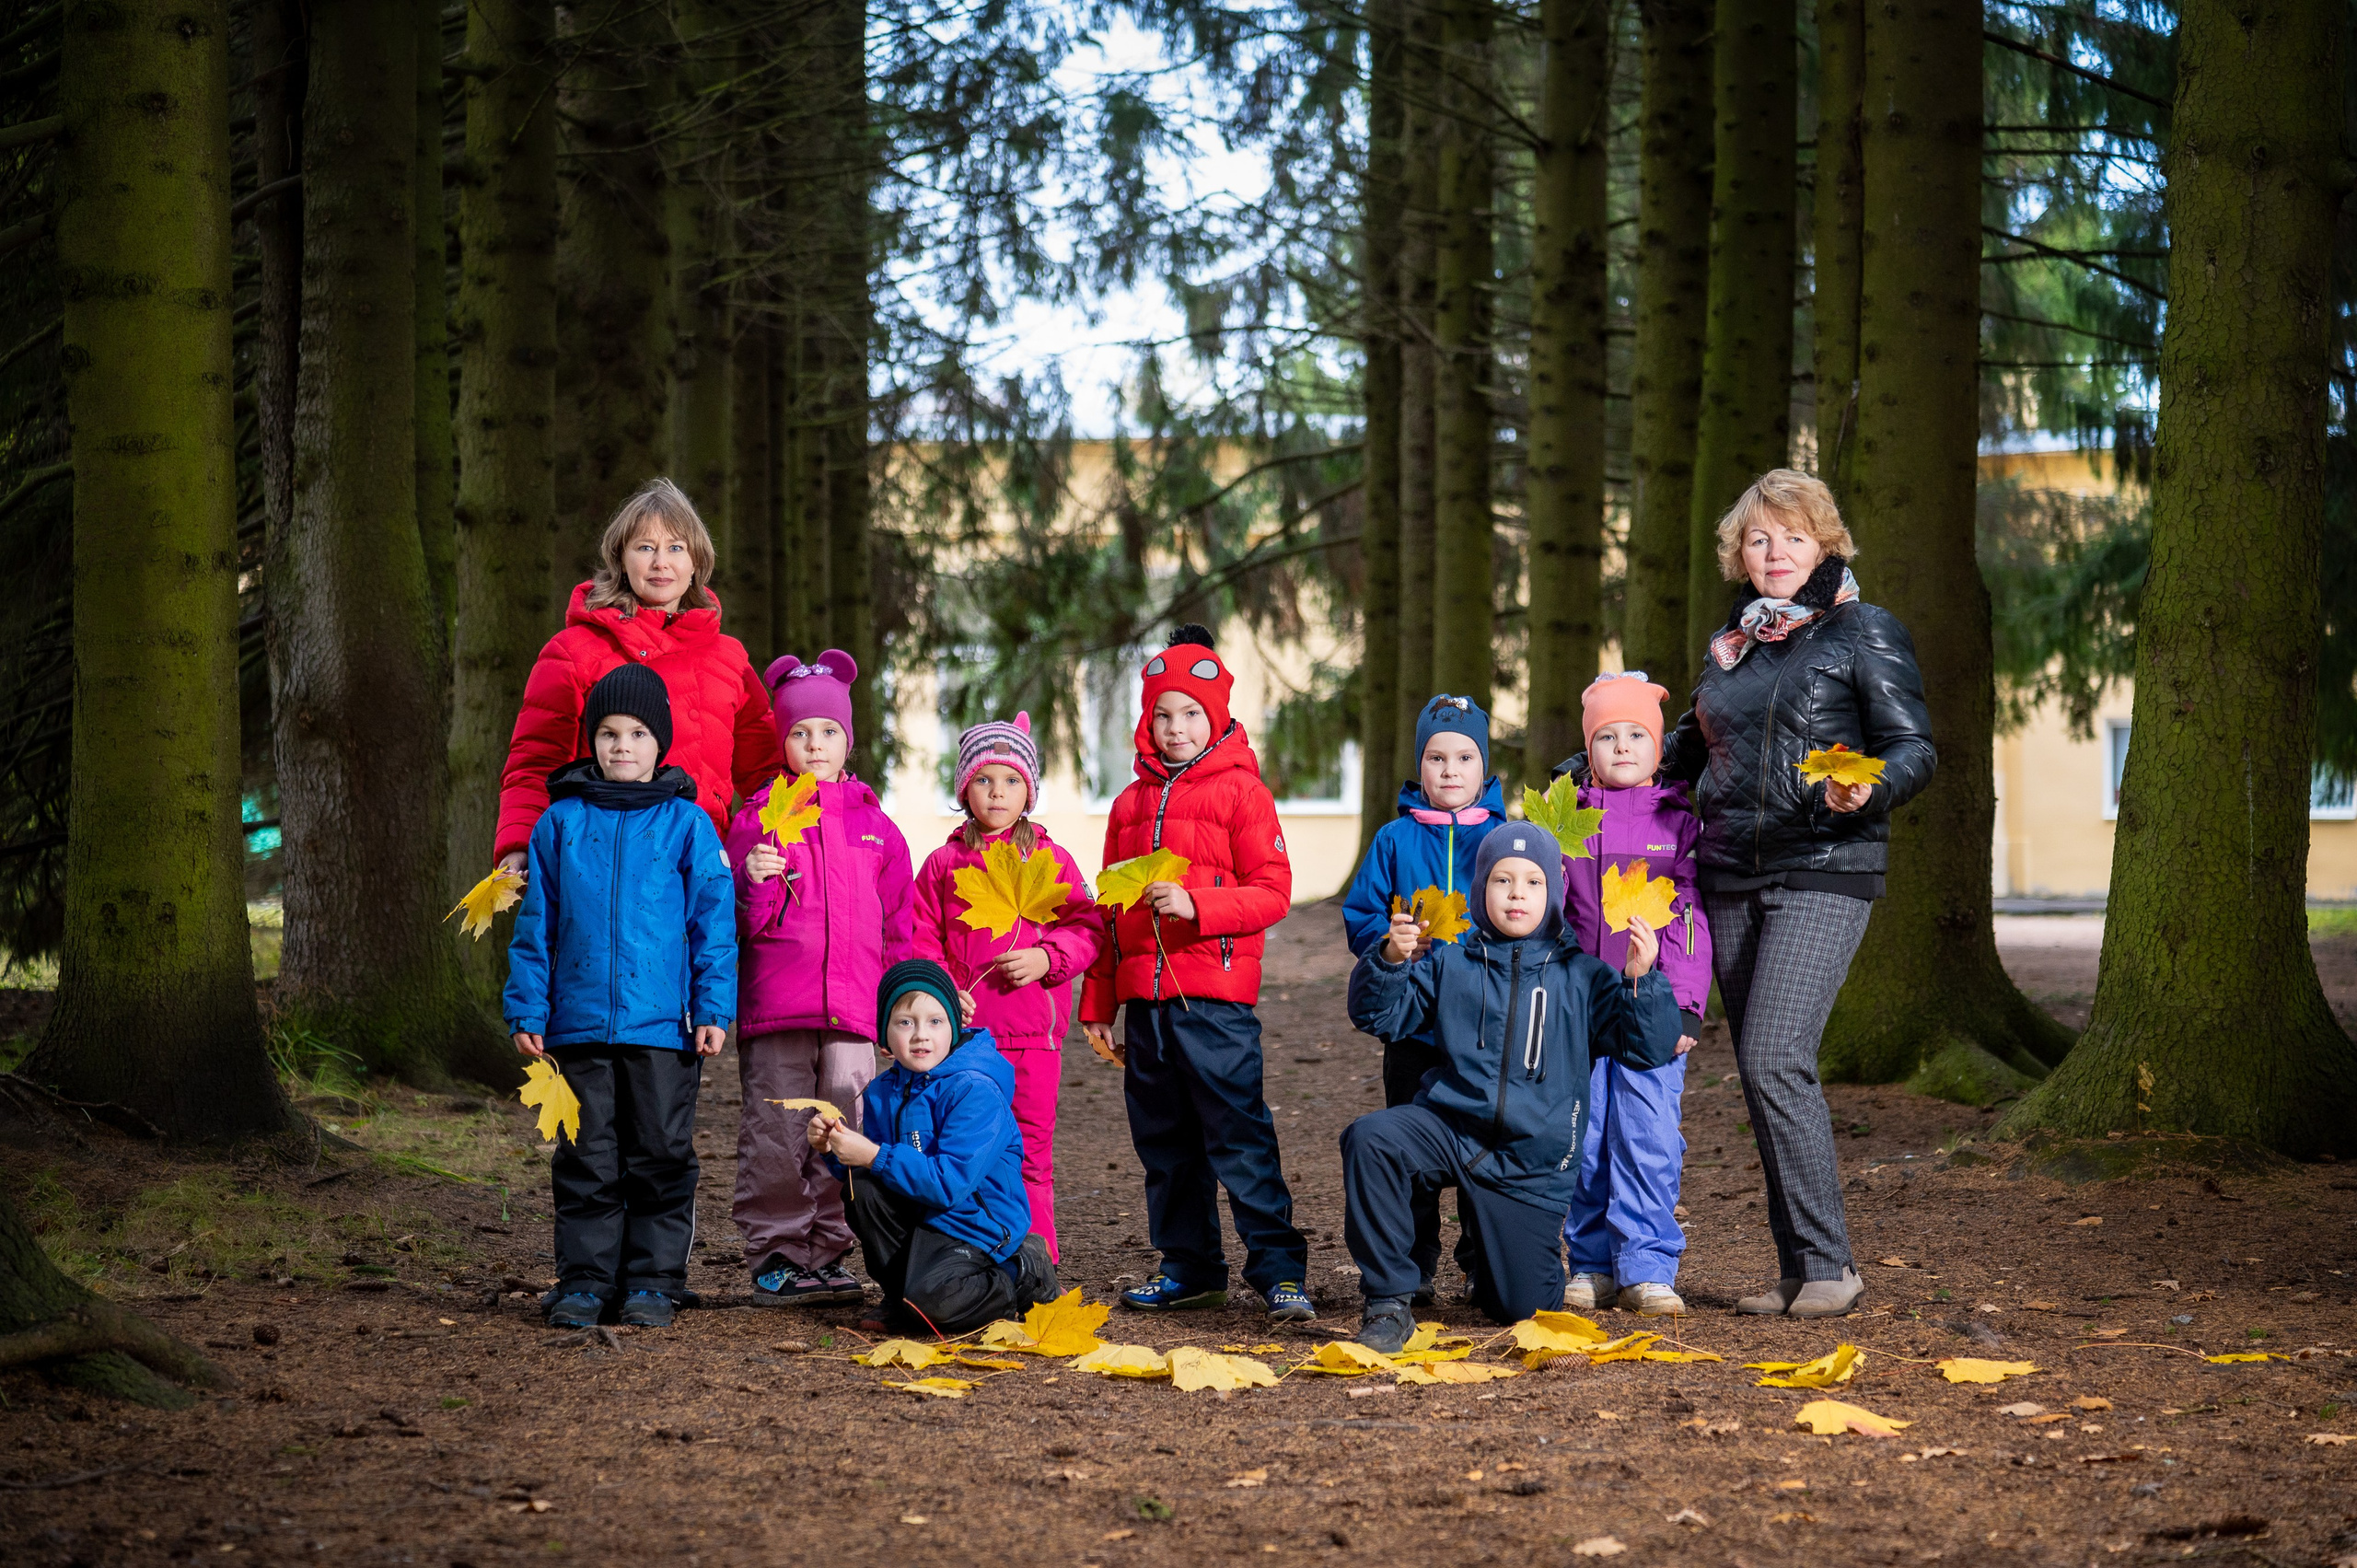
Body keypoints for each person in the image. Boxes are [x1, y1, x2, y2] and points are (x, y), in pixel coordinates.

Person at [1644, 468, 1935, 1318]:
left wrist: (1870, 787)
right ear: (1739, 551)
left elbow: (1914, 747)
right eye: (1759, 538)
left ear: (1824, 544)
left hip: (1825, 863)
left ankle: (1832, 1265)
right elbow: (1687, 748)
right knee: (1758, 1067)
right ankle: (1799, 1267)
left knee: (1776, 1055)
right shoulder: (1730, 647)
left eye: (1794, 536)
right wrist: (1591, 765)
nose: (1776, 552)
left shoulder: (1862, 630)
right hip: (1729, 869)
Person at [1341, 824, 1685, 1352]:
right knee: (1372, 1138)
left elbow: (1648, 1049)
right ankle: (1388, 1302)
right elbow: (1379, 1016)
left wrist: (1642, 980)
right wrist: (1389, 961)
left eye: (1532, 882)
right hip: (1452, 1130)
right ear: (1482, 889)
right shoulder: (1449, 963)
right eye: (1502, 880)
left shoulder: (1585, 977)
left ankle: (1492, 1256)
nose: (1517, 893)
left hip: (1529, 1166)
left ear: (1553, 894)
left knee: (1521, 1307)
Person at [1080, 625, 1313, 1323]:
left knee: (1238, 1137)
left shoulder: (1243, 793)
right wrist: (1100, 1000)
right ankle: (1190, 1269)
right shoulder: (1128, 804)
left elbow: (1273, 890)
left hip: (1214, 1003)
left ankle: (1279, 1271)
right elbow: (1109, 910)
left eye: (1190, 713)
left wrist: (1198, 905)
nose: (1176, 728)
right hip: (1146, 1008)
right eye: (1163, 714)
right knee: (1165, 1145)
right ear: (1146, 721)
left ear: (1215, 717)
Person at [503, 666, 736, 1331]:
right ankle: (585, 1279)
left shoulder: (687, 824)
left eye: (637, 733)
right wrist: (528, 1008)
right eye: (608, 733)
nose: (622, 746)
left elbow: (713, 926)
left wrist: (713, 1008)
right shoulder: (560, 823)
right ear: (592, 741)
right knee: (586, 1155)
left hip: (663, 1027)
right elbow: (536, 926)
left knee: (660, 1153)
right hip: (576, 1026)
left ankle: (653, 1281)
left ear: (660, 742)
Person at [725, 649, 915, 1307]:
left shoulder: (875, 825)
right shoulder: (758, 817)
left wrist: (899, 1006)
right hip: (779, 1006)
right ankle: (779, 1251)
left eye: (829, 731)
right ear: (782, 740)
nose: (815, 744)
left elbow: (898, 924)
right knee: (777, 1133)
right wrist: (751, 879)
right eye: (800, 732)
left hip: (855, 1010)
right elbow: (738, 921)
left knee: (845, 1125)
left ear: (847, 739)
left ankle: (831, 1249)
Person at [492, 478, 778, 876]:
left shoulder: (729, 659)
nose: (661, 562)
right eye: (645, 548)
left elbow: (768, 776)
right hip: (599, 870)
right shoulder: (572, 651)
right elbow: (536, 761)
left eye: (676, 548)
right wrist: (521, 845)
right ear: (621, 560)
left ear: (696, 562)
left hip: (705, 871)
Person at [912, 713, 1106, 1262]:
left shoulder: (1051, 860)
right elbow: (918, 938)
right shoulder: (943, 865)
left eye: (1011, 780)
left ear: (1029, 791)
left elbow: (1088, 926)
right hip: (963, 1041)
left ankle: (1036, 1261)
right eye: (983, 779)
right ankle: (967, 1261)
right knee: (962, 1148)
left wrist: (1048, 957)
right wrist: (941, 993)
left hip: (1032, 1039)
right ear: (963, 789)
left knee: (1031, 1153)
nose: (997, 792)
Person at [1556, 673, 1713, 1318]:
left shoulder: (1678, 825)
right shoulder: (1568, 824)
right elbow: (1550, 913)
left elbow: (1691, 923)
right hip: (1584, 1009)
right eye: (1607, 736)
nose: (1622, 746)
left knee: (1647, 1135)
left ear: (1658, 747)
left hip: (1652, 1006)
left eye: (1636, 735)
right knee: (1587, 1135)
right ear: (1589, 750)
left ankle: (1646, 1265)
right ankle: (1591, 1263)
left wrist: (1685, 1005)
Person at [1338, 692, 1504, 1305]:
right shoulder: (1394, 839)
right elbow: (1361, 913)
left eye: (1464, 757)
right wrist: (1390, 940)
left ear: (1483, 765)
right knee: (1409, 1142)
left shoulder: (1506, 838)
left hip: (1487, 1026)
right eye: (1436, 758)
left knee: (1486, 1145)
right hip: (1413, 1027)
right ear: (1420, 765)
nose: (1450, 770)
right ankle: (1414, 1263)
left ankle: (1484, 1261)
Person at [807, 960, 1059, 1336]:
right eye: (905, 1022)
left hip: (973, 1226)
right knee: (863, 1190)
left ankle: (1021, 1275)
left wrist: (873, 1154)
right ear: (884, 1034)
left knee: (934, 1307)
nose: (920, 1035)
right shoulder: (883, 1091)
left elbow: (949, 1184)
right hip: (924, 1216)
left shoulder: (974, 1089)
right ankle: (900, 1295)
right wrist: (832, 1148)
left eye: (935, 1022)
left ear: (954, 1027)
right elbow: (879, 1171)